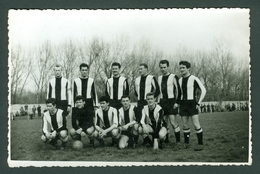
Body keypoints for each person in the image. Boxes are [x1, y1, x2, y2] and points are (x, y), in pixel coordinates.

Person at [176, 61, 206, 151]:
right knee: (185, 125)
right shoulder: (180, 80)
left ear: (188, 68)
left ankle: (200, 144)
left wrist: (199, 103)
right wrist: (177, 103)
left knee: (196, 124)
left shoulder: (194, 78)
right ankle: (186, 143)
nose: (181, 69)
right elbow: (179, 94)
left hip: (192, 103)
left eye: (183, 67)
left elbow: (203, 90)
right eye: (180, 68)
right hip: (183, 104)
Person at [158, 60, 181, 146]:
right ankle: (166, 140)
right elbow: (159, 92)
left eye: (164, 67)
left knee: (173, 122)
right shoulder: (159, 78)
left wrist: (177, 102)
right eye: (161, 67)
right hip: (162, 101)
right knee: (164, 122)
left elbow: (178, 90)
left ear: (168, 67)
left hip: (171, 101)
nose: (163, 69)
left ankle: (178, 141)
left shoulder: (173, 76)